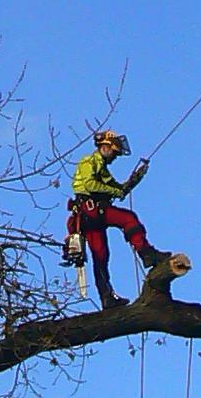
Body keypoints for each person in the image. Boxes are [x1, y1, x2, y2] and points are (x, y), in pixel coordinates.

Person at [67, 130, 169, 309]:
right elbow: (91, 184)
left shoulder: (103, 167)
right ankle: (146, 254)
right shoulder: (88, 161)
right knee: (126, 222)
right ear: (105, 147)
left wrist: (132, 182)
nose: (115, 157)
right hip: (90, 211)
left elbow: (117, 187)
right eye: (114, 152)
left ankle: (108, 297)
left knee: (102, 254)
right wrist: (116, 191)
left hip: (95, 213)